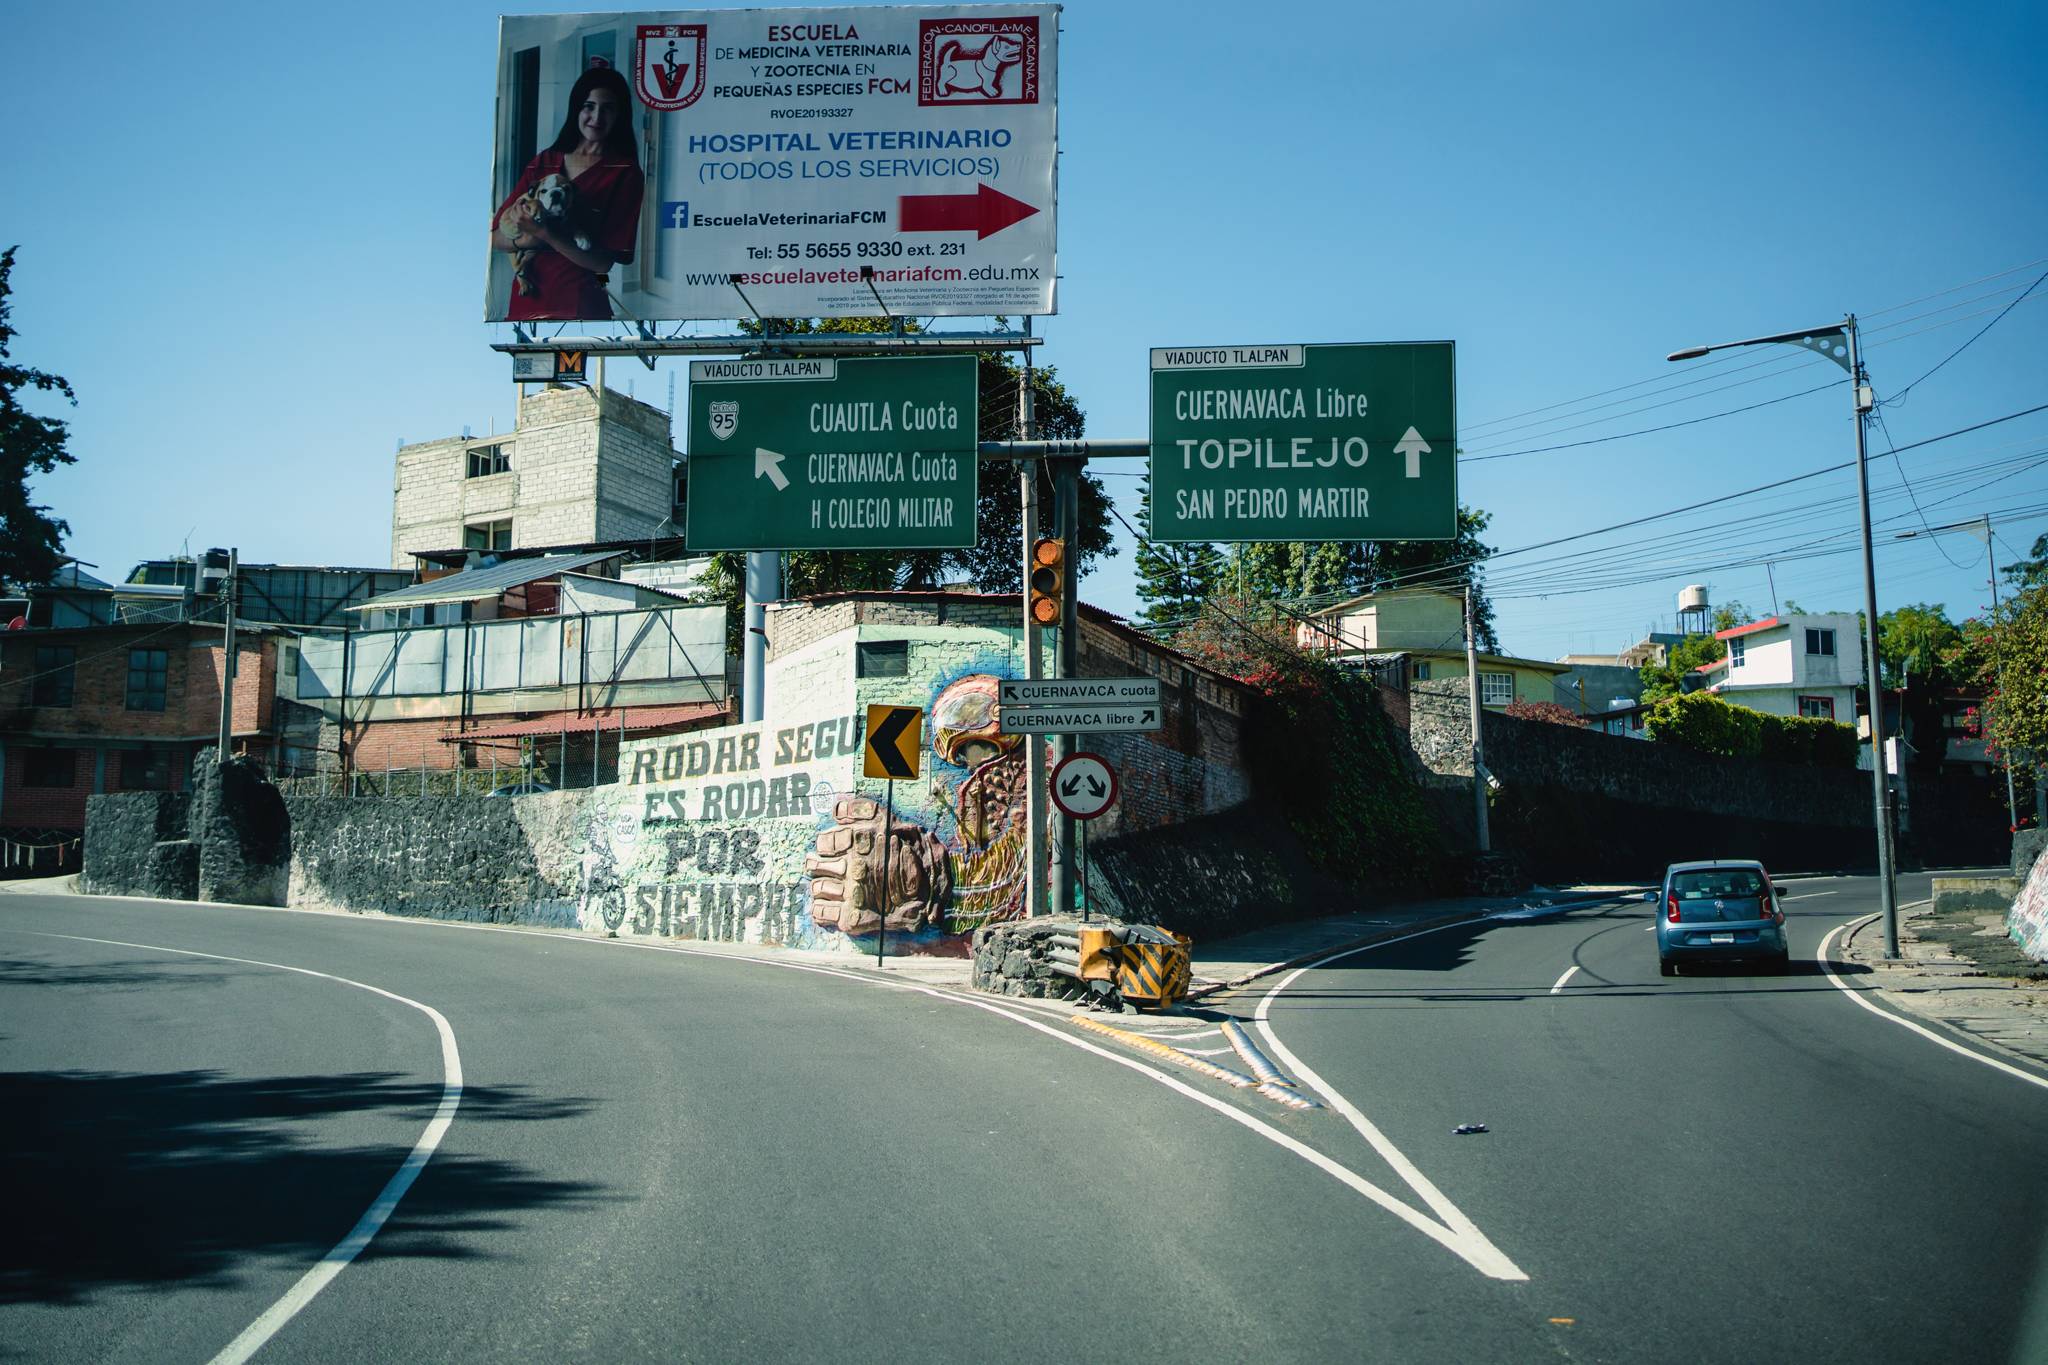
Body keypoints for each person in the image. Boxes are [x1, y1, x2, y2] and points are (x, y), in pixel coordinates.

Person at [491, 66, 645, 321]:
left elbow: (602, 264)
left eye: (607, 108)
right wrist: (523, 241)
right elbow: (494, 238)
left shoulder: (624, 173)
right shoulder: (544, 161)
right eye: (589, 106)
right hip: (525, 305)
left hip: (579, 309)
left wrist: (544, 234)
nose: (596, 116)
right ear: (576, 108)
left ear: (620, 115)